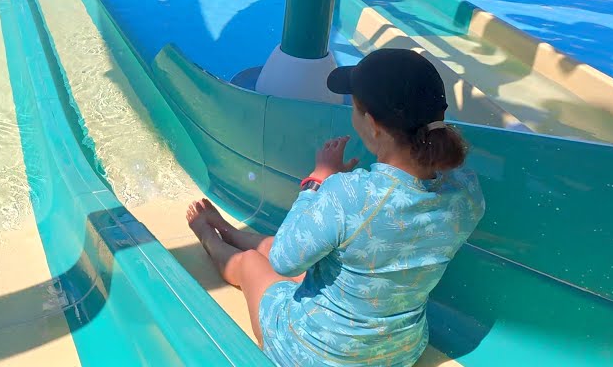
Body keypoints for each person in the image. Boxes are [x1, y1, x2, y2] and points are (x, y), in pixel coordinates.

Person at [186, 48, 485, 367]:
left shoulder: (348, 194)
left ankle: (210, 237)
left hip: (316, 355)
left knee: (250, 263)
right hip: (400, 352)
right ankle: (230, 231)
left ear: (372, 125)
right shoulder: (466, 191)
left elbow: (283, 262)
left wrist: (318, 181)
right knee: (313, 256)